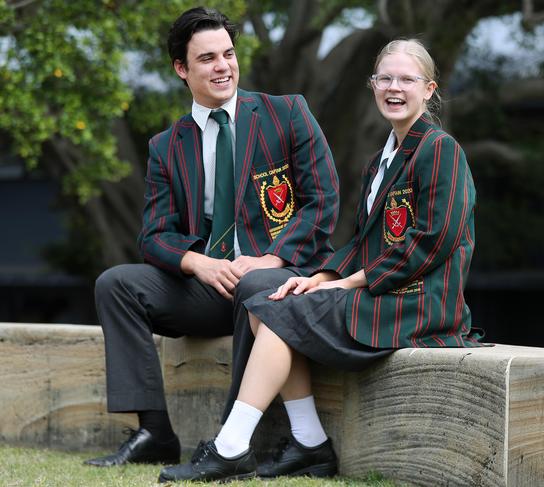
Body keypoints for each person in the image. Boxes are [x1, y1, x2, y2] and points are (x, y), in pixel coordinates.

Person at [158, 38, 484, 483]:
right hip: (382, 291)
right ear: (372, 86)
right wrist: (320, 277)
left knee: (275, 314)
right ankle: (309, 442)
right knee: (274, 303)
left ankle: (233, 446)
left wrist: (345, 285)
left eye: (406, 80)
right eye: (384, 78)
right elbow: (365, 243)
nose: (394, 87)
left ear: (428, 89)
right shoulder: (383, 158)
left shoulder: (440, 148)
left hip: (420, 302)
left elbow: (432, 241)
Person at [84, 7, 339, 467]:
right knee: (115, 283)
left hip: (275, 282)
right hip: (211, 286)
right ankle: (155, 433)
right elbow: (154, 235)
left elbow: (322, 202)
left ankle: (229, 444)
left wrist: (273, 259)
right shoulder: (167, 145)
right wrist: (195, 263)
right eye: (207, 58)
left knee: (260, 286)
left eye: (228, 53)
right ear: (181, 69)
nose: (223, 66)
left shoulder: (287, 114)